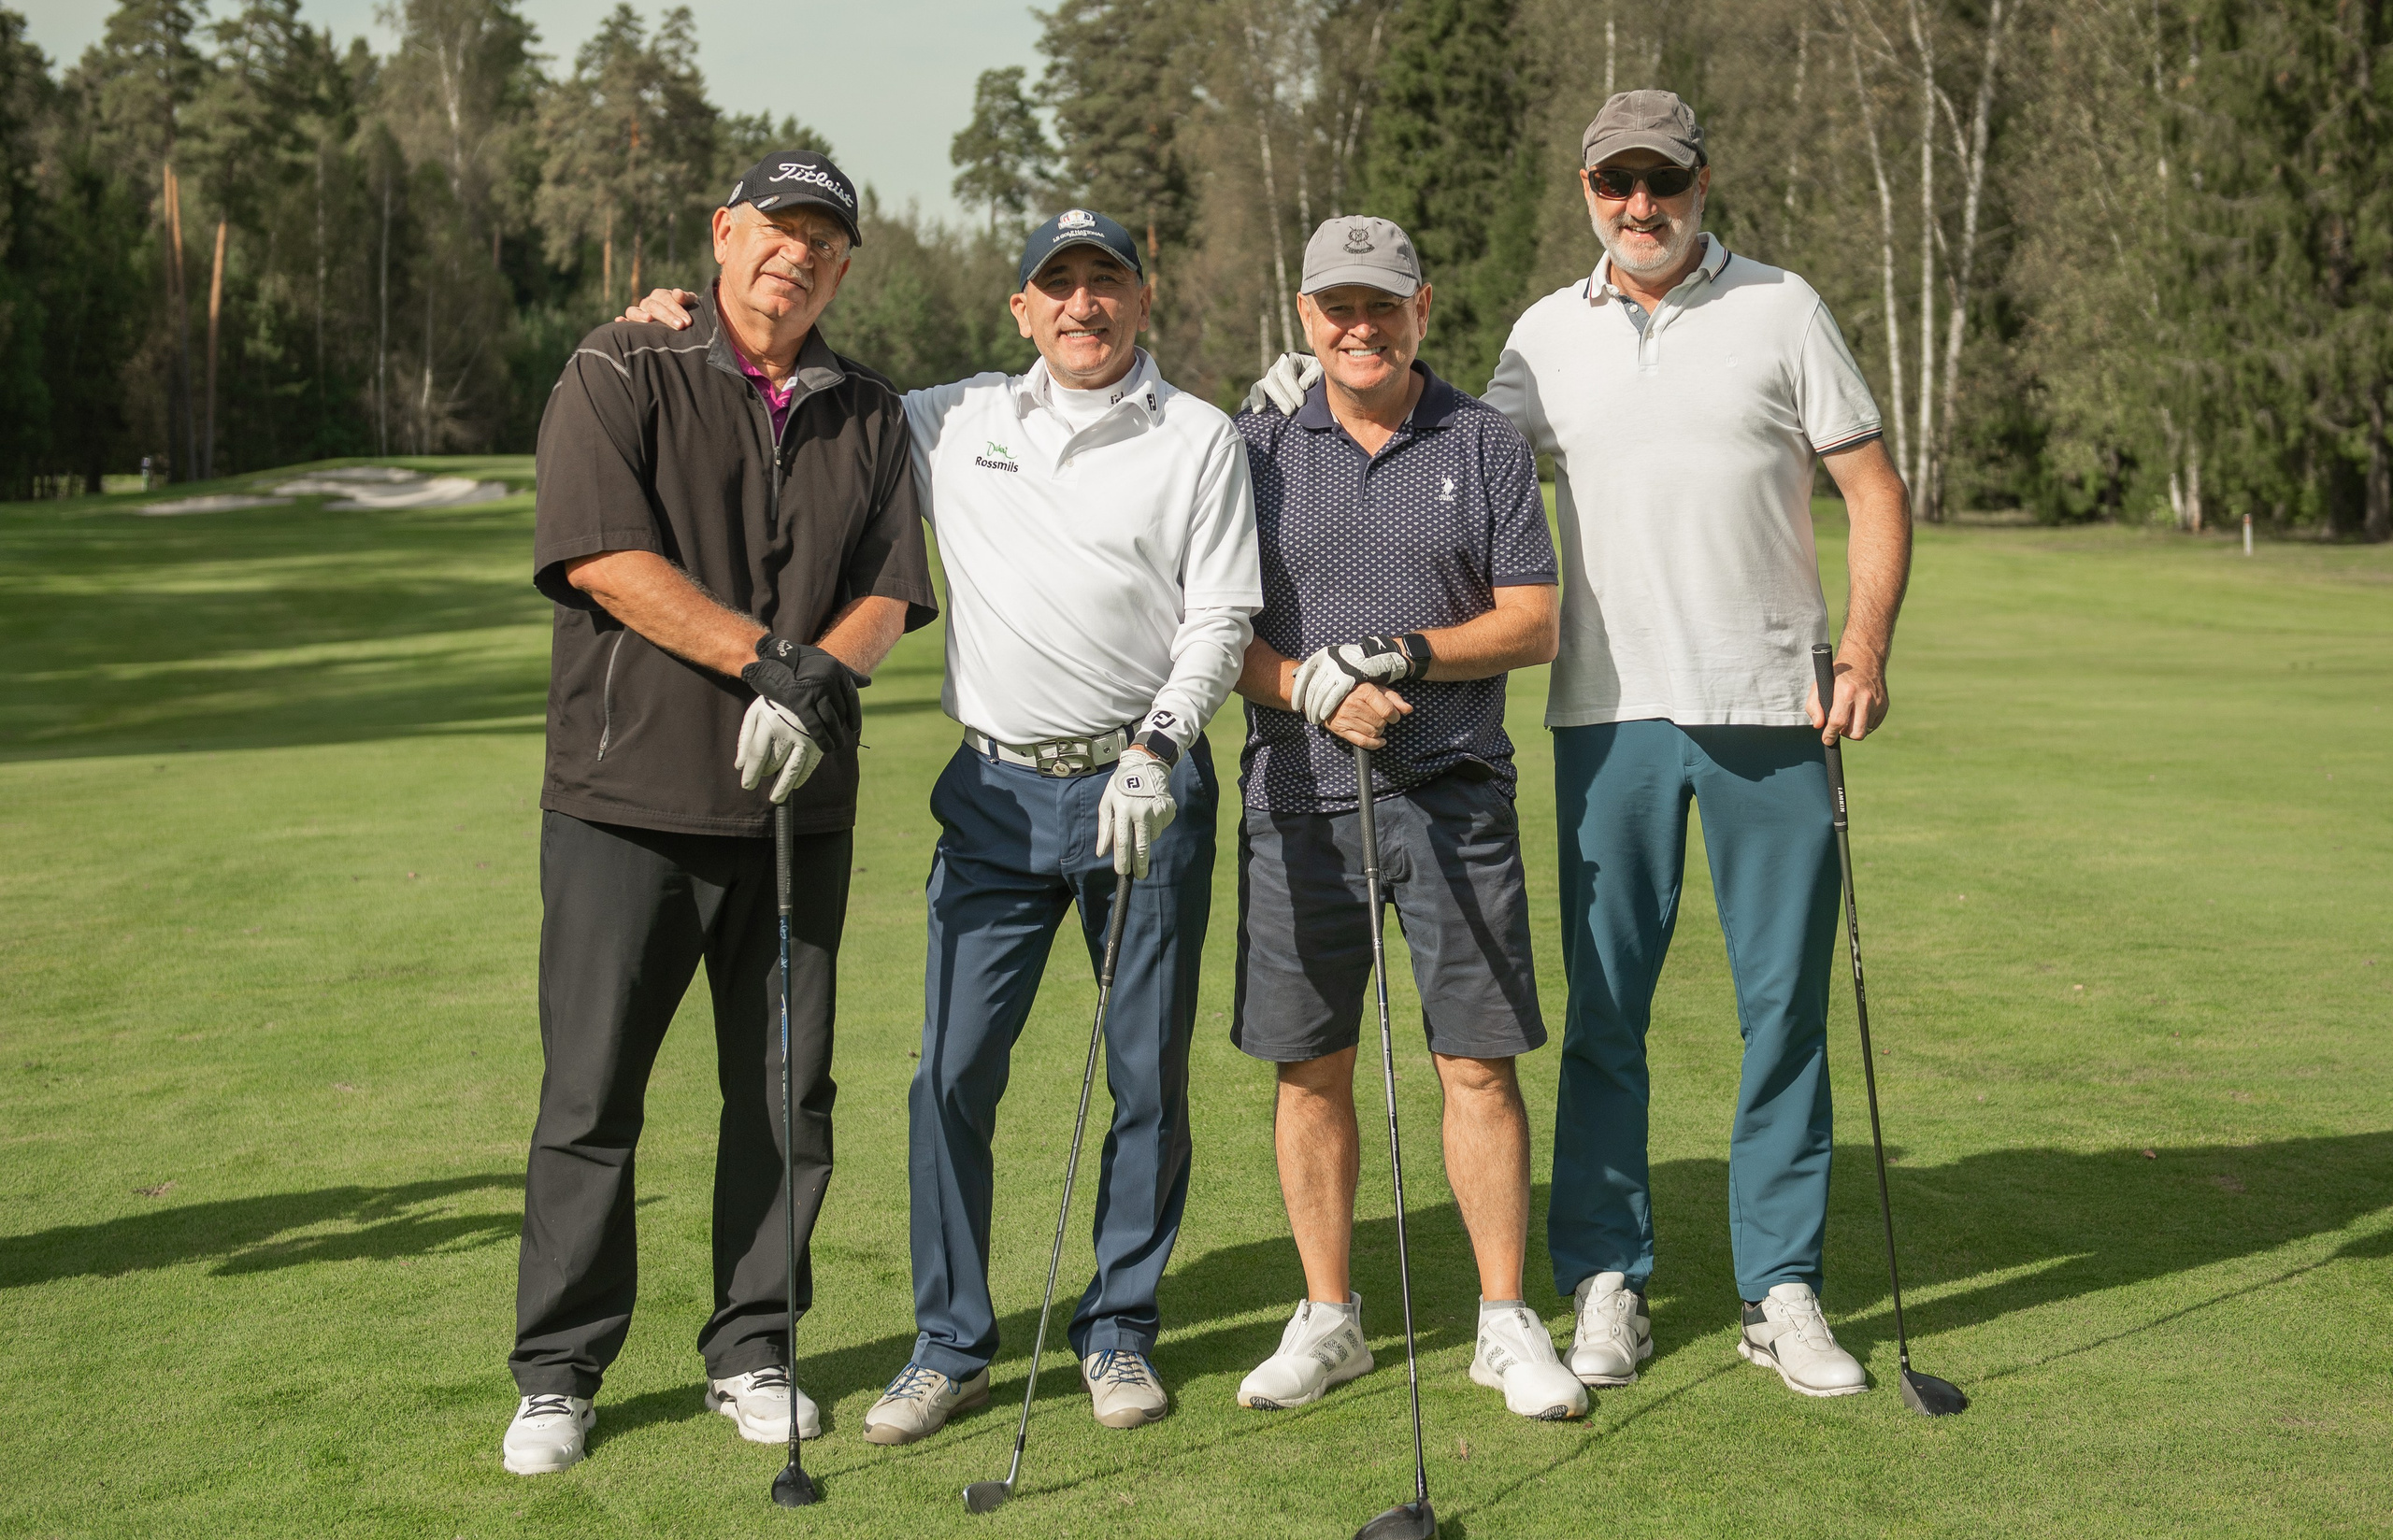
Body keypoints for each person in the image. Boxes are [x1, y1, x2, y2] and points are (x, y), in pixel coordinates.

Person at [1249, 90, 1914, 1400]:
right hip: (1607, 716)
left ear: (1700, 183)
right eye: (1617, 183)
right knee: (1609, 1014)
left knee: (1783, 1007)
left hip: (1771, 705)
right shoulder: (1546, 336)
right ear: (1587, 187)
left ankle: (1781, 1288)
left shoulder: (1783, 309)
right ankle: (1606, 1276)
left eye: (1662, 181)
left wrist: (1868, 650)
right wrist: (1295, 390)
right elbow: (1443, 438)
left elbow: (1872, 488)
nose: (1640, 206)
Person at [621, 207, 1260, 1441]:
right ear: (1020, 308)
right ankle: (951, 1345)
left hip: (1142, 787)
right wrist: (682, 323)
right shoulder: (949, 418)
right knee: (950, 1079)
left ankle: (1120, 1333)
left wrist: (1160, 747)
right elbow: (796, 377)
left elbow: (1221, 616)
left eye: (1104, 283)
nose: (1082, 306)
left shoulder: (1198, 438)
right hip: (994, 800)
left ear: (1143, 297)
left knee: (1143, 1076)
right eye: (1056, 286)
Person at [502, 150, 937, 1477]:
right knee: (591, 1096)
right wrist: (765, 660)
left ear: (845, 266)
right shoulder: (621, 367)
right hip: (626, 802)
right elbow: (601, 556)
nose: (794, 256)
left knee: (785, 1099)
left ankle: (755, 1347)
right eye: (774, 230)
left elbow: (891, 584)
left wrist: (819, 685)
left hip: (800, 811)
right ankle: (560, 1373)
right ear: (723, 234)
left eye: (822, 240)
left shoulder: (866, 406)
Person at [1227, 216, 1583, 1423]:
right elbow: (1222, 632)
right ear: (1304, 314)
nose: (1359, 326)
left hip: (1451, 792)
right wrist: (1313, 682)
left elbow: (1533, 621)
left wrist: (1408, 654)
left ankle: (1501, 1320)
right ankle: (1329, 1319)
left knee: (1475, 1063)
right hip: (1295, 801)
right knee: (1309, 1065)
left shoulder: (1481, 442)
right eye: (1337, 306)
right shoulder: (1255, 448)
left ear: (1421, 308)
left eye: (1381, 304)